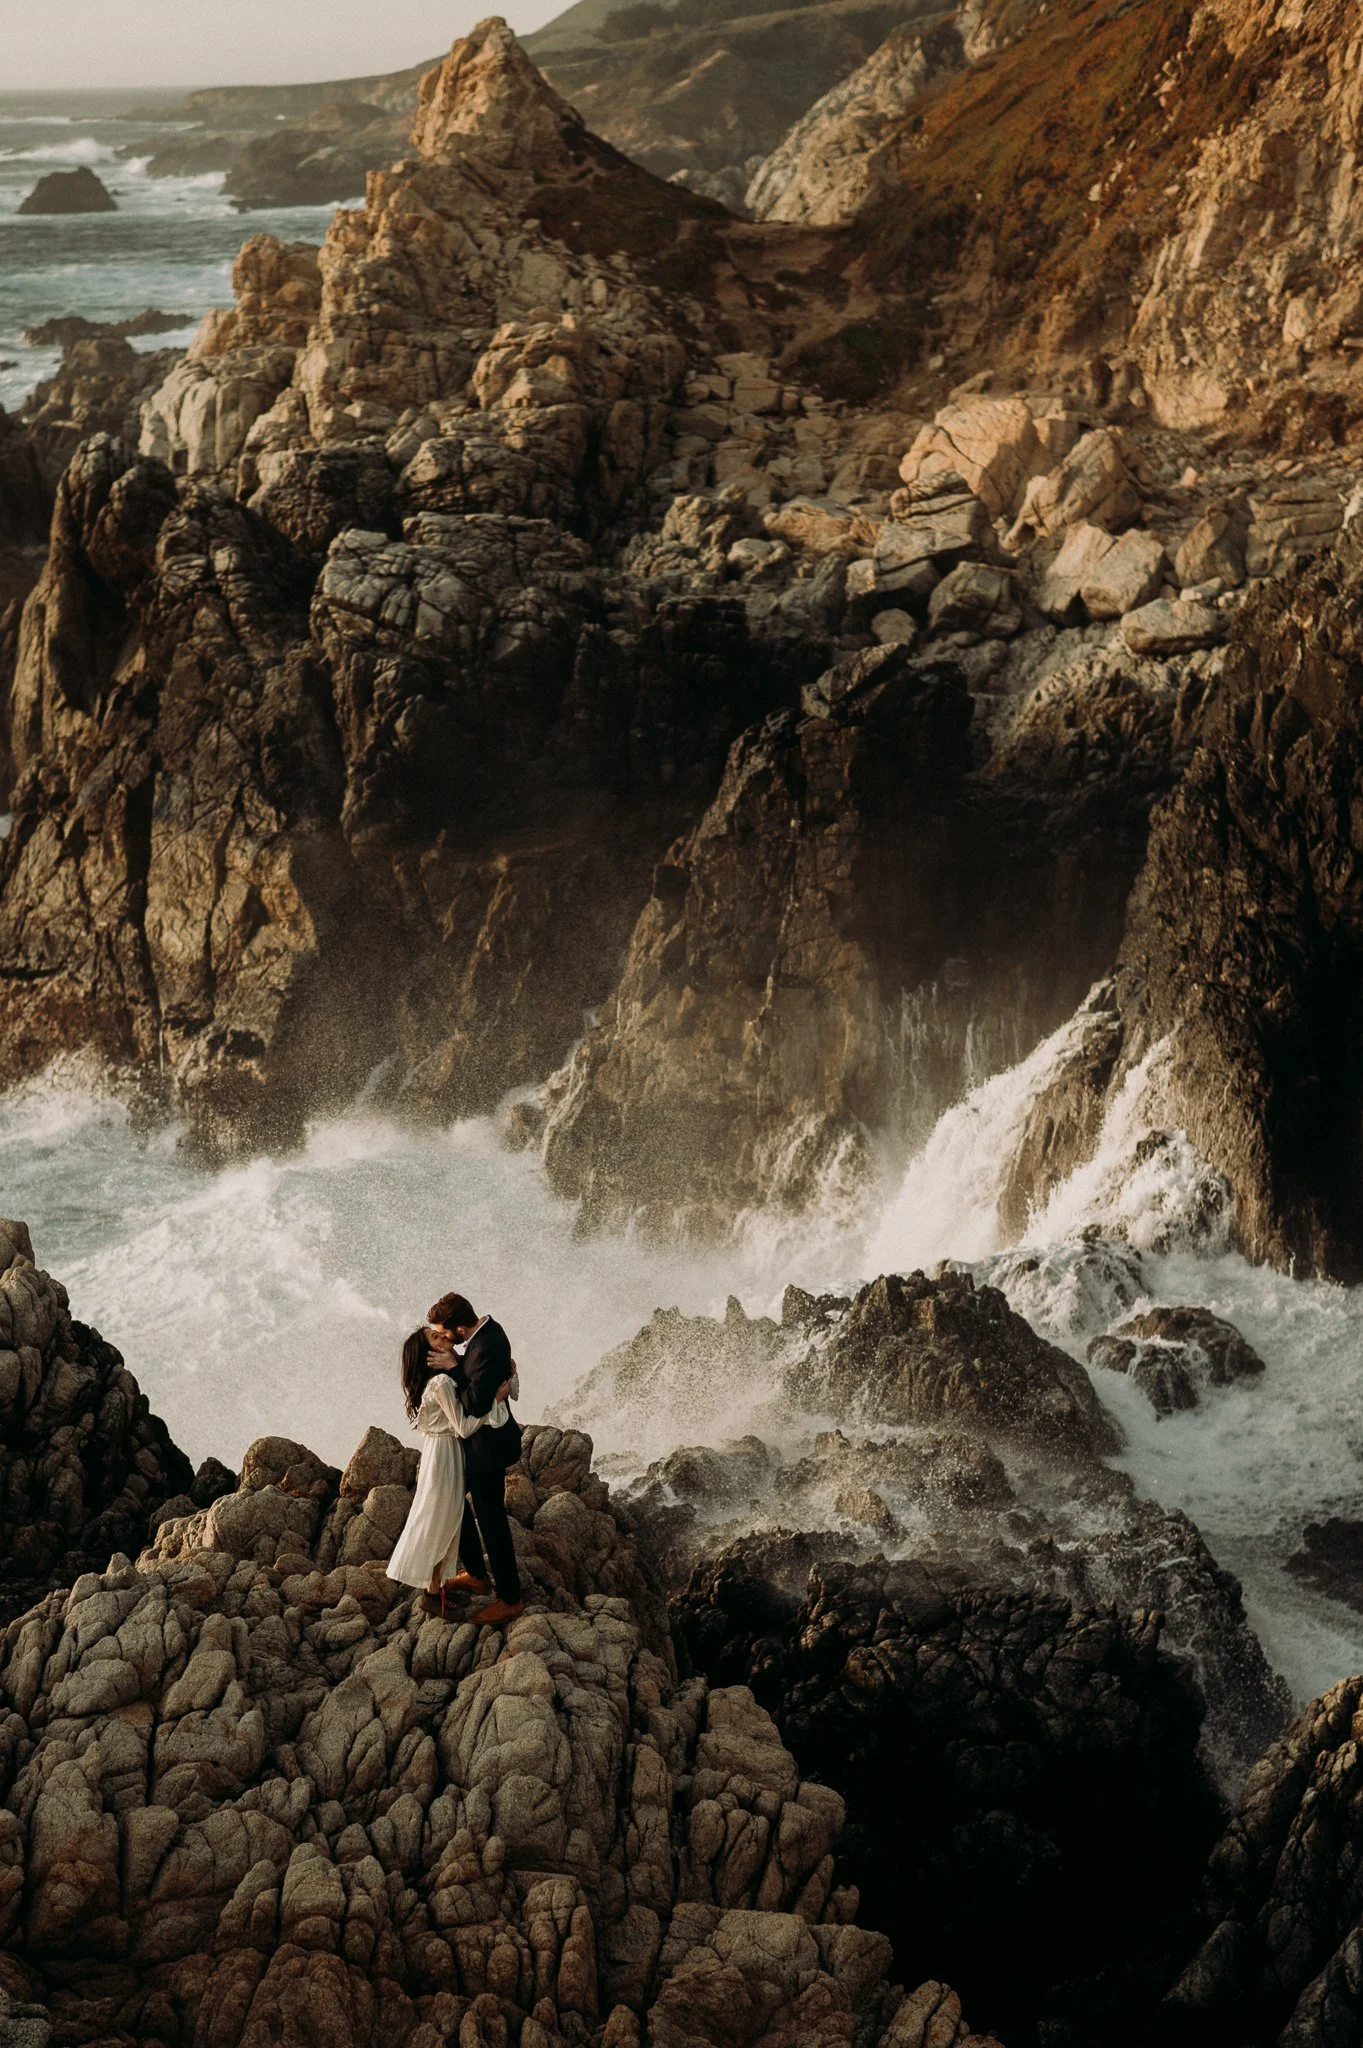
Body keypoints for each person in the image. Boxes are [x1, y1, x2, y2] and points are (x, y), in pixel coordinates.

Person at [385, 1326, 518, 1619]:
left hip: (439, 1453)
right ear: (429, 1354)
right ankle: (433, 1595)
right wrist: (494, 1401)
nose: (444, 1337)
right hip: (446, 1456)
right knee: (440, 1522)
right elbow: (464, 1427)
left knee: (442, 1519)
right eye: (436, 1338)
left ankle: (437, 1589)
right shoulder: (442, 1382)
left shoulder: (436, 1381)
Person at [427, 1291, 524, 1624]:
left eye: (444, 1331)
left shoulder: (486, 1347)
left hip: (489, 1451)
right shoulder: (485, 1338)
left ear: (457, 1327)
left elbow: (474, 1405)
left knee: (492, 1520)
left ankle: (510, 1597)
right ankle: (478, 1575)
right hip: (479, 1449)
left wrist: (453, 1367)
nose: (445, 1339)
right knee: (454, 1501)